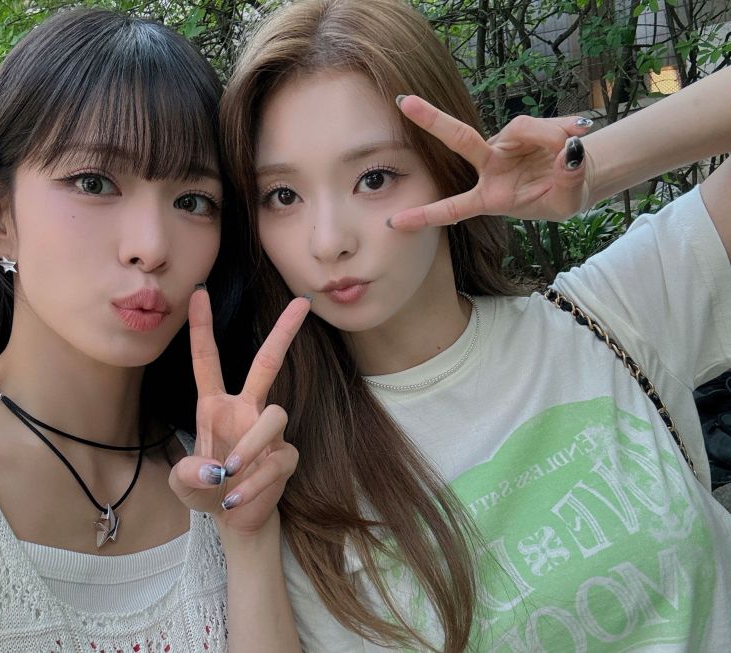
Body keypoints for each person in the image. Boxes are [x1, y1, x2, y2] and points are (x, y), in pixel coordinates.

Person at [220, 0, 731, 650]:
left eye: (373, 178)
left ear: (448, 167)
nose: (327, 241)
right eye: (284, 196)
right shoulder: (283, 473)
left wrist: (588, 168)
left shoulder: (612, 315)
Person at [0, 8, 307, 652]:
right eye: (94, 182)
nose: (151, 247)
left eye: (193, 201)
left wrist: (248, 537)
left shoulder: (221, 473)